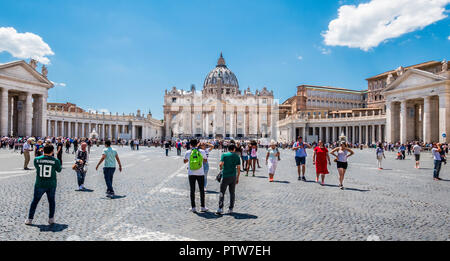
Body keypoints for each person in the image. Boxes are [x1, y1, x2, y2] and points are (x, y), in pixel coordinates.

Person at [25, 144, 62, 225]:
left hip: (40, 183)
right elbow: (59, 170)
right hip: (51, 184)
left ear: (43, 150)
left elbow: (36, 167)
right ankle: (51, 219)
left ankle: (29, 219)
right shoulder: (55, 161)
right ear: (52, 151)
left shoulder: (36, 160)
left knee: (35, 201)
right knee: (51, 202)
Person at [183, 139, 208, 213]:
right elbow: (205, 161)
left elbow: (185, 161)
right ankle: (202, 207)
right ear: (197, 144)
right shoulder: (202, 151)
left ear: (190, 145)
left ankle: (193, 207)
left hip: (191, 173)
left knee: (192, 190)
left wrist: (190, 159)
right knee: (201, 190)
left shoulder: (188, 152)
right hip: (200, 173)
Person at [217, 144, 241, 215]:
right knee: (232, 193)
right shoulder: (237, 156)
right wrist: (237, 177)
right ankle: (231, 208)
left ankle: (220, 208)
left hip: (225, 176)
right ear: (234, 149)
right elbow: (239, 168)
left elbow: (220, 164)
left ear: (228, 149)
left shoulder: (224, 155)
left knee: (222, 192)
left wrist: (221, 169)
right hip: (233, 176)